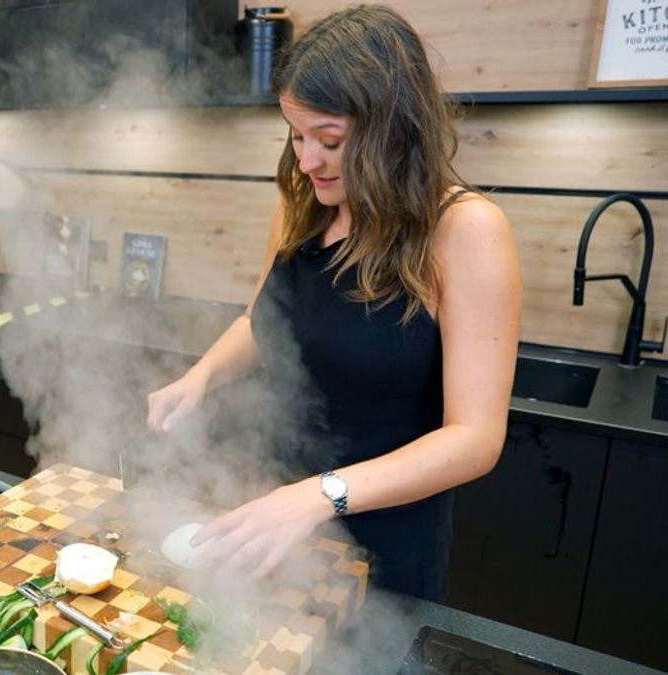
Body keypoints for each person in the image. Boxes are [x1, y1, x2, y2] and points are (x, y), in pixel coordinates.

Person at [145, 5, 521, 601]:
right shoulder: (303, 208)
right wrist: (200, 378)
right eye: (296, 134)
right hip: (269, 517)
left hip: (382, 546)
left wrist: (319, 495)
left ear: (395, 131)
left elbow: (474, 438)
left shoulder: (466, 231)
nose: (305, 160)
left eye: (330, 140)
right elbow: (263, 321)